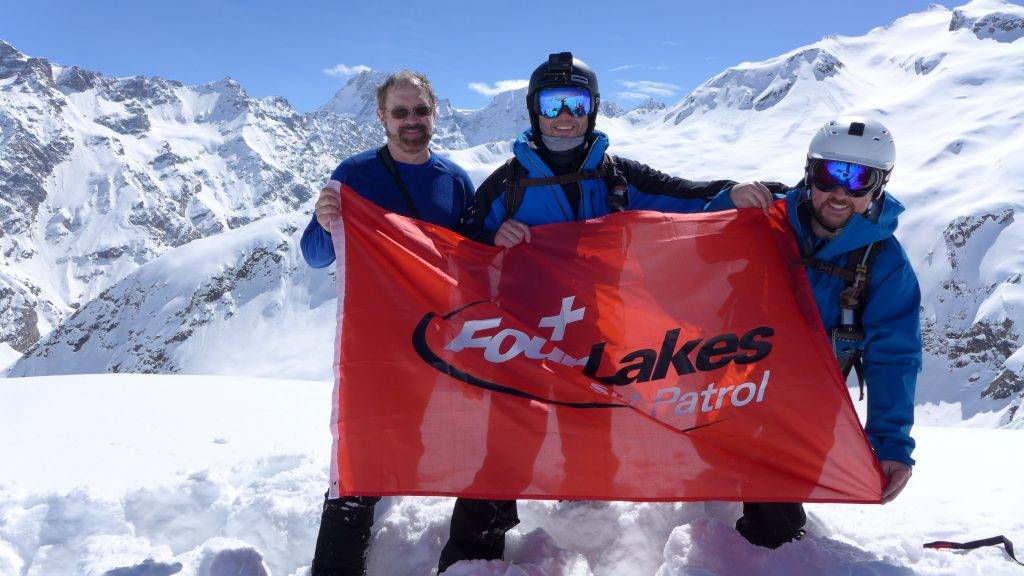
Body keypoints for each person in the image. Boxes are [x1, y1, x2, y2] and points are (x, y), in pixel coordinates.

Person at [437, 51, 779, 573]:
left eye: (576, 102)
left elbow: (683, 198)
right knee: (508, 437)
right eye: (553, 103)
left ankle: (588, 522)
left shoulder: (619, 177)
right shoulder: (505, 186)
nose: (564, 115)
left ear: (593, 109)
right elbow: (453, 250)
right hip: (521, 337)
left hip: (595, 332)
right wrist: (490, 239)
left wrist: (731, 195)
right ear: (534, 110)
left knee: (592, 430)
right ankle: (473, 552)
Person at [705, 116, 921, 549]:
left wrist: (891, 445)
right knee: (705, 476)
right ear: (810, 172)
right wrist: (723, 202)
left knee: (776, 527)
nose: (841, 193)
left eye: (860, 180)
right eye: (830, 175)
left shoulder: (883, 261)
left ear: (878, 186)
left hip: (811, 405)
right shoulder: (766, 217)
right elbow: (691, 245)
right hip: (734, 380)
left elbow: (893, 356)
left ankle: (759, 556)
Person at [301, 69, 475, 576]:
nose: (411, 121)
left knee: (431, 439)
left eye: (420, 111)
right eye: (400, 112)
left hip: (435, 342)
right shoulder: (353, 175)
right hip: (373, 343)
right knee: (362, 457)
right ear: (381, 117)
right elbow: (316, 257)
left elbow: (475, 260)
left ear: (435, 113)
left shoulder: (455, 180)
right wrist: (325, 217)